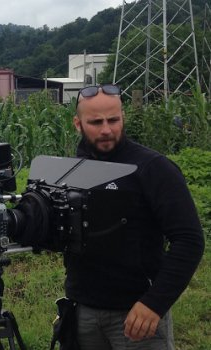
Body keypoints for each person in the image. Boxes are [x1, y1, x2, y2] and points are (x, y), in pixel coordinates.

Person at [63, 84, 204, 349]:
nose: (106, 130)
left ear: (123, 117)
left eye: (113, 120)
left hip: (136, 315)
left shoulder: (153, 168)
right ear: (78, 123)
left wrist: (155, 303)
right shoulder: (74, 169)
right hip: (83, 310)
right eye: (96, 122)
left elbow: (189, 240)